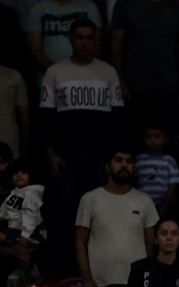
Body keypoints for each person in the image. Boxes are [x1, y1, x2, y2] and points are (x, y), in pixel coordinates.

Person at [40, 20, 124, 218]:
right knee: (66, 210)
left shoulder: (108, 72)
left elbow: (119, 119)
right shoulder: (55, 72)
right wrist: (50, 154)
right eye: (79, 37)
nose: (84, 42)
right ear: (70, 39)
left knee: (102, 211)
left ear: (96, 41)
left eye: (89, 38)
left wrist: (114, 157)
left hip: (100, 155)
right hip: (66, 155)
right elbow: (45, 117)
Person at [75, 148, 158, 287]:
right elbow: (80, 242)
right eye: (118, 160)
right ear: (108, 166)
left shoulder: (144, 200)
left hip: (136, 283)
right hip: (100, 283)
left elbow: (150, 247)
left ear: (134, 168)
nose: (124, 165)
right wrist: (87, 279)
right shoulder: (90, 199)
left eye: (129, 161)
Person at [109, 0, 179, 143]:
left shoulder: (175, 6)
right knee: (134, 146)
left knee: (166, 149)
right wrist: (120, 80)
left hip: (168, 88)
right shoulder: (125, 4)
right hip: (135, 90)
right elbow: (116, 45)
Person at [25, 0, 103, 71]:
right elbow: (35, 49)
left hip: (84, 75)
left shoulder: (89, 6)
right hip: (48, 75)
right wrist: (58, 72)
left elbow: (96, 44)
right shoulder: (38, 8)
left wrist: (79, 70)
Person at [134, 125, 179, 217]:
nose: (153, 140)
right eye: (149, 137)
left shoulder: (169, 160)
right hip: (143, 204)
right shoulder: (140, 159)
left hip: (164, 204)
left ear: (165, 139)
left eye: (157, 137)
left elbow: (173, 185)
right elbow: (134, 181)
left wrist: (164, 206)